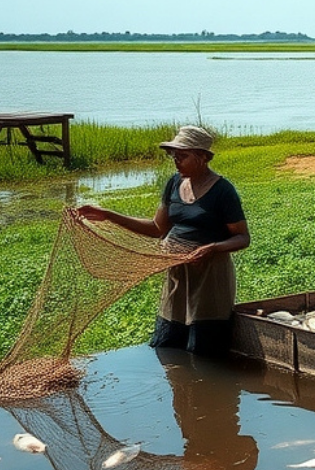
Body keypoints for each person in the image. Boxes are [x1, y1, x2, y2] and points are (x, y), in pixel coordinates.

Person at [77, 125, 250, 355]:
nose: (176, 161)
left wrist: (213, 248)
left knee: (204, 349)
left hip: (209, 276)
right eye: (173, 155)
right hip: (177, 275)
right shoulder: (174, 184)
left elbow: (242, 237)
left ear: (202, 157)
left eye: (182, 155)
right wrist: (108, 215)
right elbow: (157, 228)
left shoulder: (223, 191)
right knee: (169, 344)